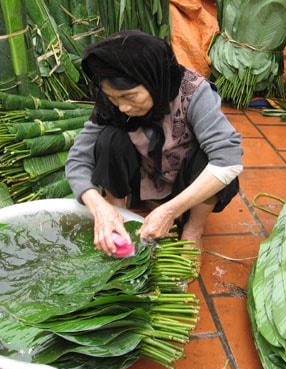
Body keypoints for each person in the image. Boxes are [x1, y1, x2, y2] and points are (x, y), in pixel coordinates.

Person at [65, 30, 243, 257]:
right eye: (113, 98)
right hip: (145, 176)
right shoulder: (113, 99)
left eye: (130, 97)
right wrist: (99, 206)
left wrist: (170, 211)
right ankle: (120, 215)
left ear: (153, 81)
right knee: (109, 139)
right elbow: (78, 158)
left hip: (186, 181)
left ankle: (192, 230)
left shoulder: (194, 93)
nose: (122, 108)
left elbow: (229, 162)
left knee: (212, 158)